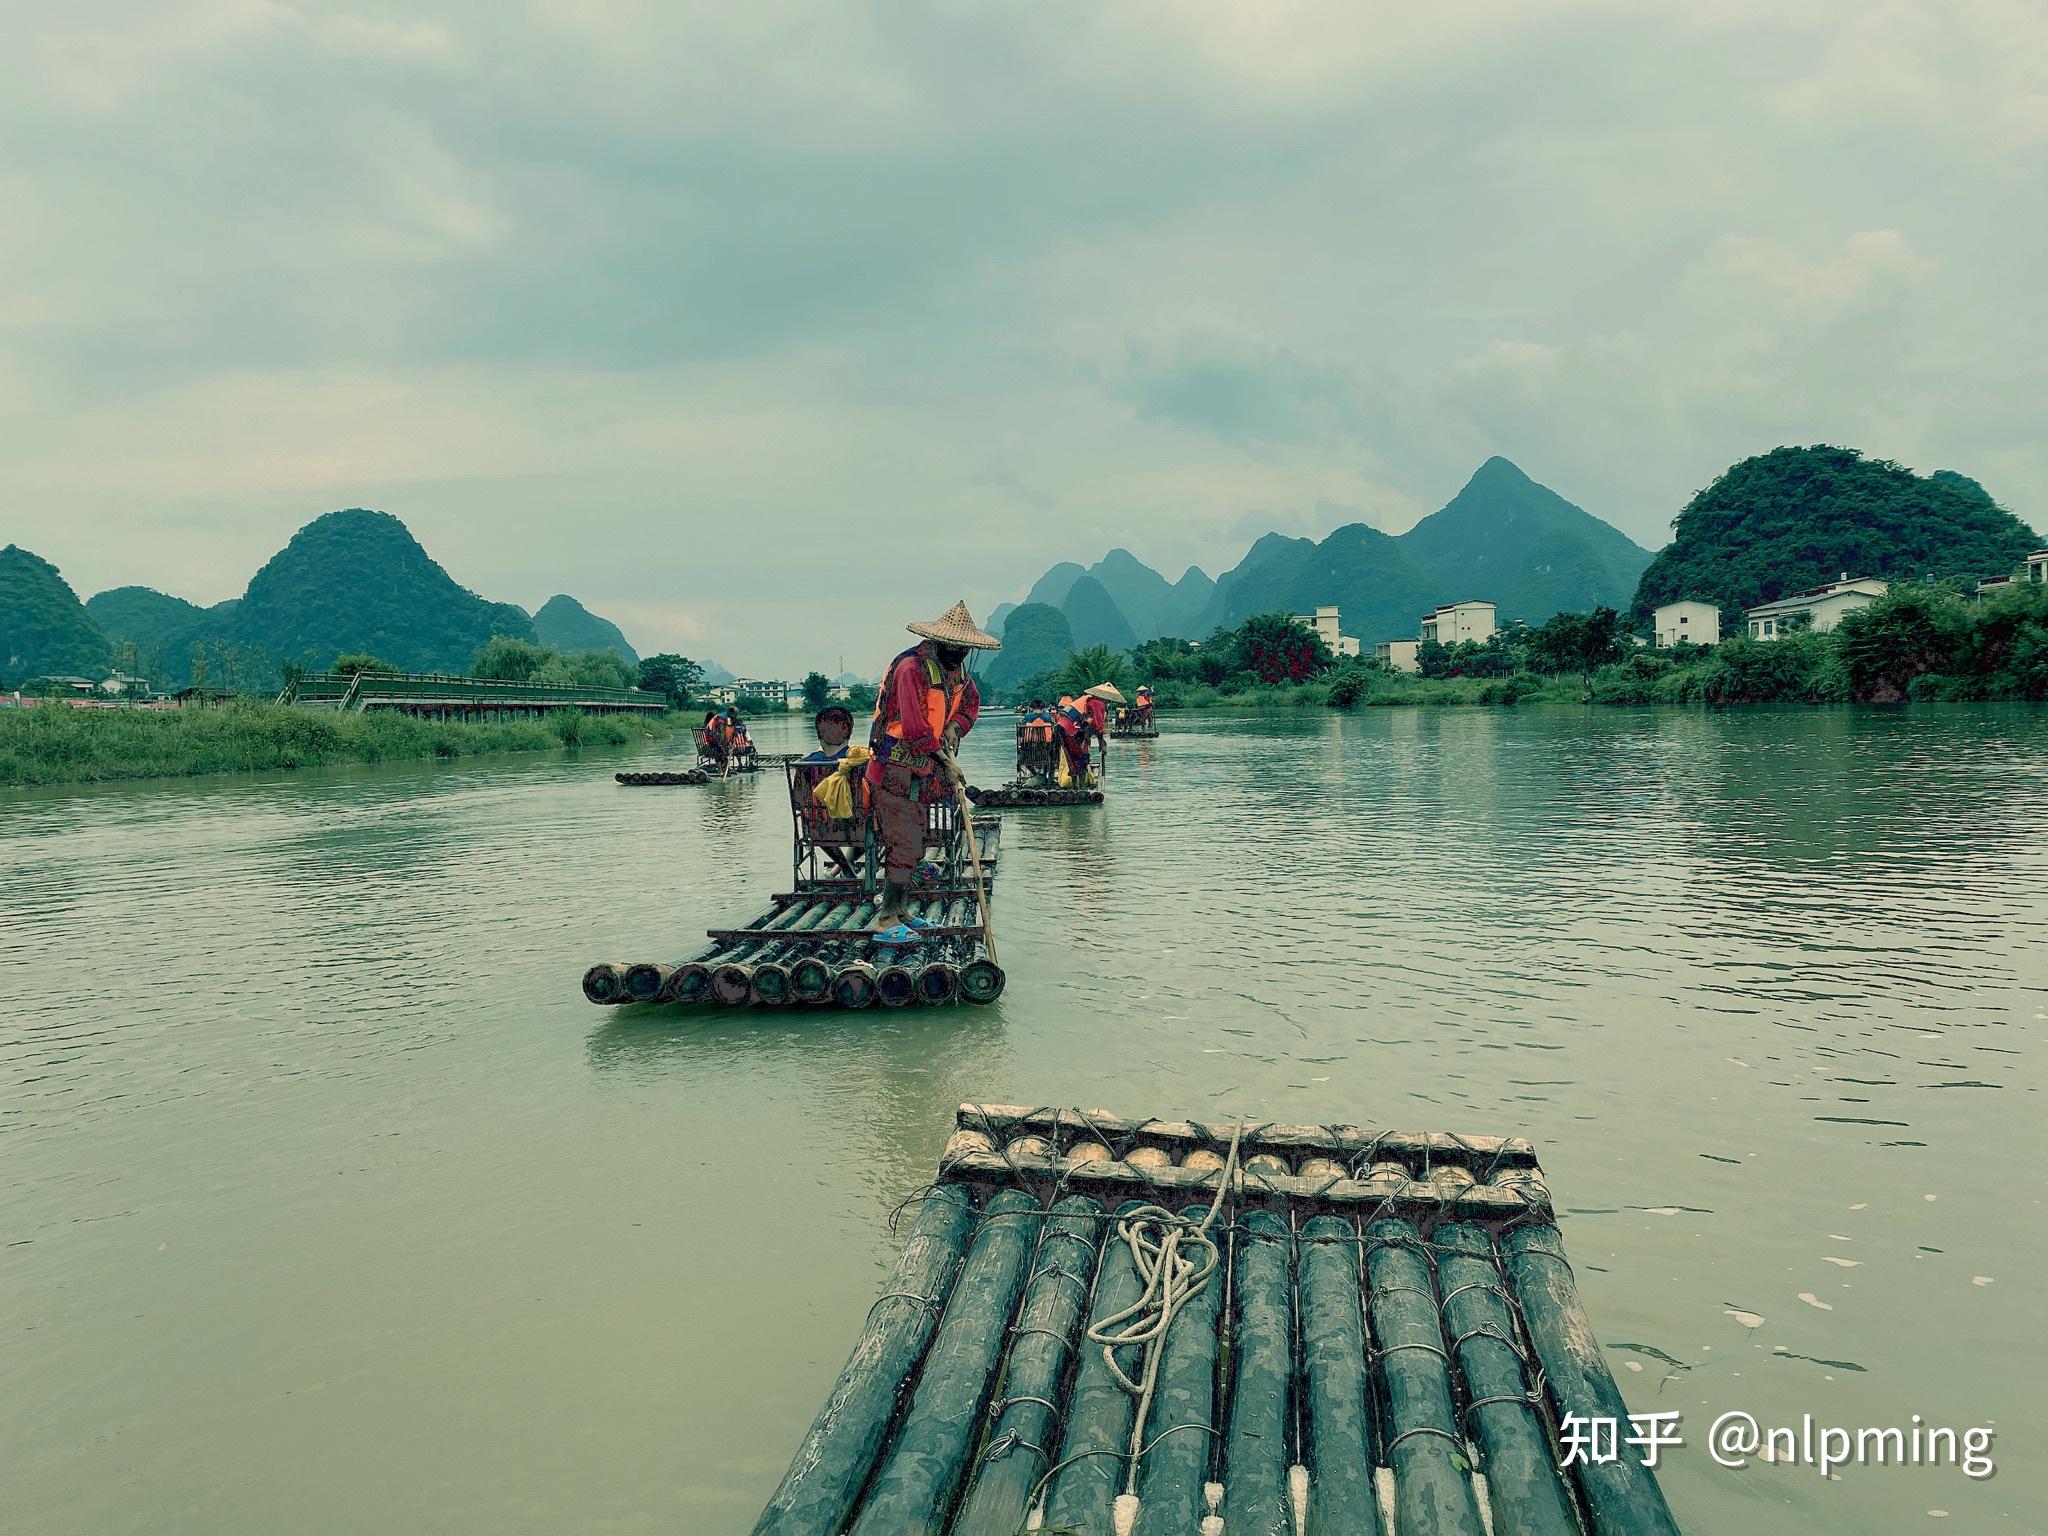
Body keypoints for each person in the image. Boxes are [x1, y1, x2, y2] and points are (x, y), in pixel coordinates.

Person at [866, 601, 998, 928]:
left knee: (915, 844)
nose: (959, 653)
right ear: (939, 642)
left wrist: (955, 727)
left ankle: (900, 911)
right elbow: (914, 728)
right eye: (953, 647)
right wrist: (946, 762)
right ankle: (886, 917)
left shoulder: (959, 672)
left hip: (921, 773)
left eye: (964, 648)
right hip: (894, 769)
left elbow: (971, 704)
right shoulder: (912, 668)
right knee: (903, 843)